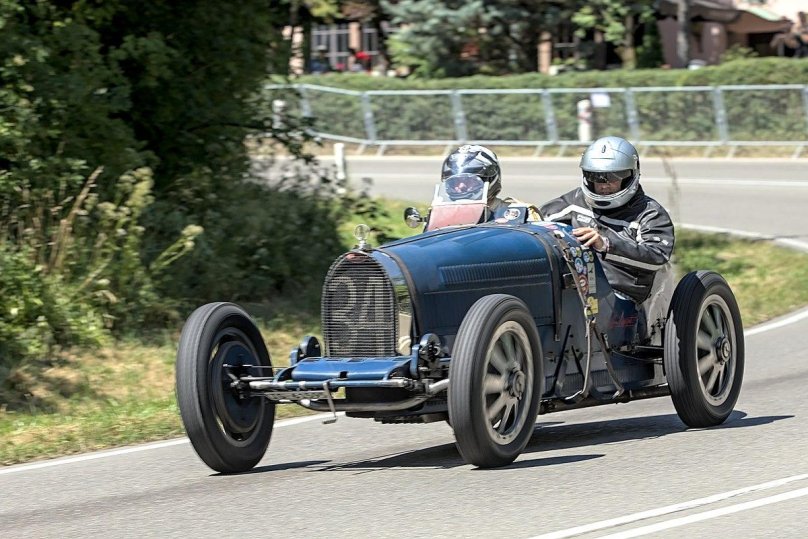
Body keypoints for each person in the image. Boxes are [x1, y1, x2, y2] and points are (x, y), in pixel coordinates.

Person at [539, 136, 674, 304]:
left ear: (631, 174)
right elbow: (537, 223)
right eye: (596, 177)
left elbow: (657, 257)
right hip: (573, 287)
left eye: (613, 177)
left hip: (622, 297)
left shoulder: (650, 213)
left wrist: (605, 245)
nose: (603, 185)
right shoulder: (572, 203)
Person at [441, 144, 541, 221]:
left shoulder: (520, 212)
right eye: (454, 182)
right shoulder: (443, 216)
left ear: (489, 179)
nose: (461, 186)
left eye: (468, 180)